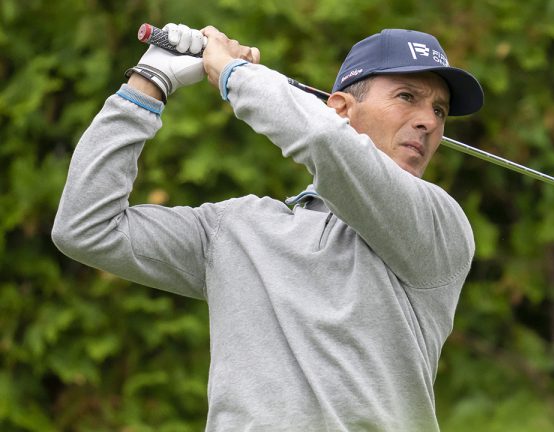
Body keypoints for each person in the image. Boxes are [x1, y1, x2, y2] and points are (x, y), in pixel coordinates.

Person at [53, 23, 484, 431]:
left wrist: (230, 73)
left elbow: (325, 143)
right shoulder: (236, 229)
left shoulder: (438, 226)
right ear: (340, 109)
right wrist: (149, 81)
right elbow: (86, 227)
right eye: (407, 97)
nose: (429, 121)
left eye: (440, 109)